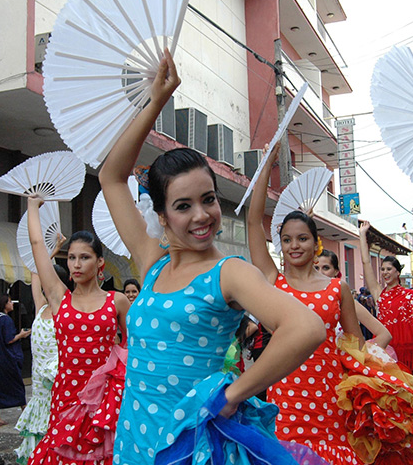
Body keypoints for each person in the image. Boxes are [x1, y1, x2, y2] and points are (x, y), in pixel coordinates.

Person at [100, 50, 327, 465]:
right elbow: (111, 176)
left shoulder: (229, 273)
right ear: (162, 216)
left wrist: (233, 395)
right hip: (135, 437)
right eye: (183, 206)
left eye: (208, 200)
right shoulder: (151, 264)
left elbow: (306, 327)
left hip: (193, 445)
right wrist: (155, 102)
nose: (202, 215)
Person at [248, 147, 413, 464]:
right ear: (280, 245)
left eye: (302, 238)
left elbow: (356, 346)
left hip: (329, 391)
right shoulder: (274, 281)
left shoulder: (338, 288)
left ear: (316, 243)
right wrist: (266, 166)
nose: (294, 245)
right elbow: (253, 222)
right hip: (284, 390)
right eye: (287, 239)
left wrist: (380, 385)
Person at [26, 202, 130, 464]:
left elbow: (133, 348)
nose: (76, 264)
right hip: (66, 395)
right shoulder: (59, 297)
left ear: (100, 262)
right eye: (72, 257)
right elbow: (38, 245)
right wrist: (32, 206)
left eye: (84, 257)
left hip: (107, 397)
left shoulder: (117, 301)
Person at [359, 222, 413, 379]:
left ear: (398, 272)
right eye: (383, 269)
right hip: (387, 350)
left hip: (409, 352)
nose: (385, 272)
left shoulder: (411, 296)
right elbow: (365, 262)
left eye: (389, 269)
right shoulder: (379, 294)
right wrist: (362, 235)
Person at [13, 272, 60, 464]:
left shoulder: (65, 310)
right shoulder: (41, 308)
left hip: (56, 379)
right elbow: (35, 275)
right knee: (38, 433)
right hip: (38, 383)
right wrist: (47, 252)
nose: (45, 288)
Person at [0, 293, 30, 427]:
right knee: (16, 384)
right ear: (4, 304)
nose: (12, 304)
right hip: (6, 359)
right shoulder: (6, 320)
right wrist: (21, 335)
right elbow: (9, 339)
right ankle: (25, 411)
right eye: (10, 301)